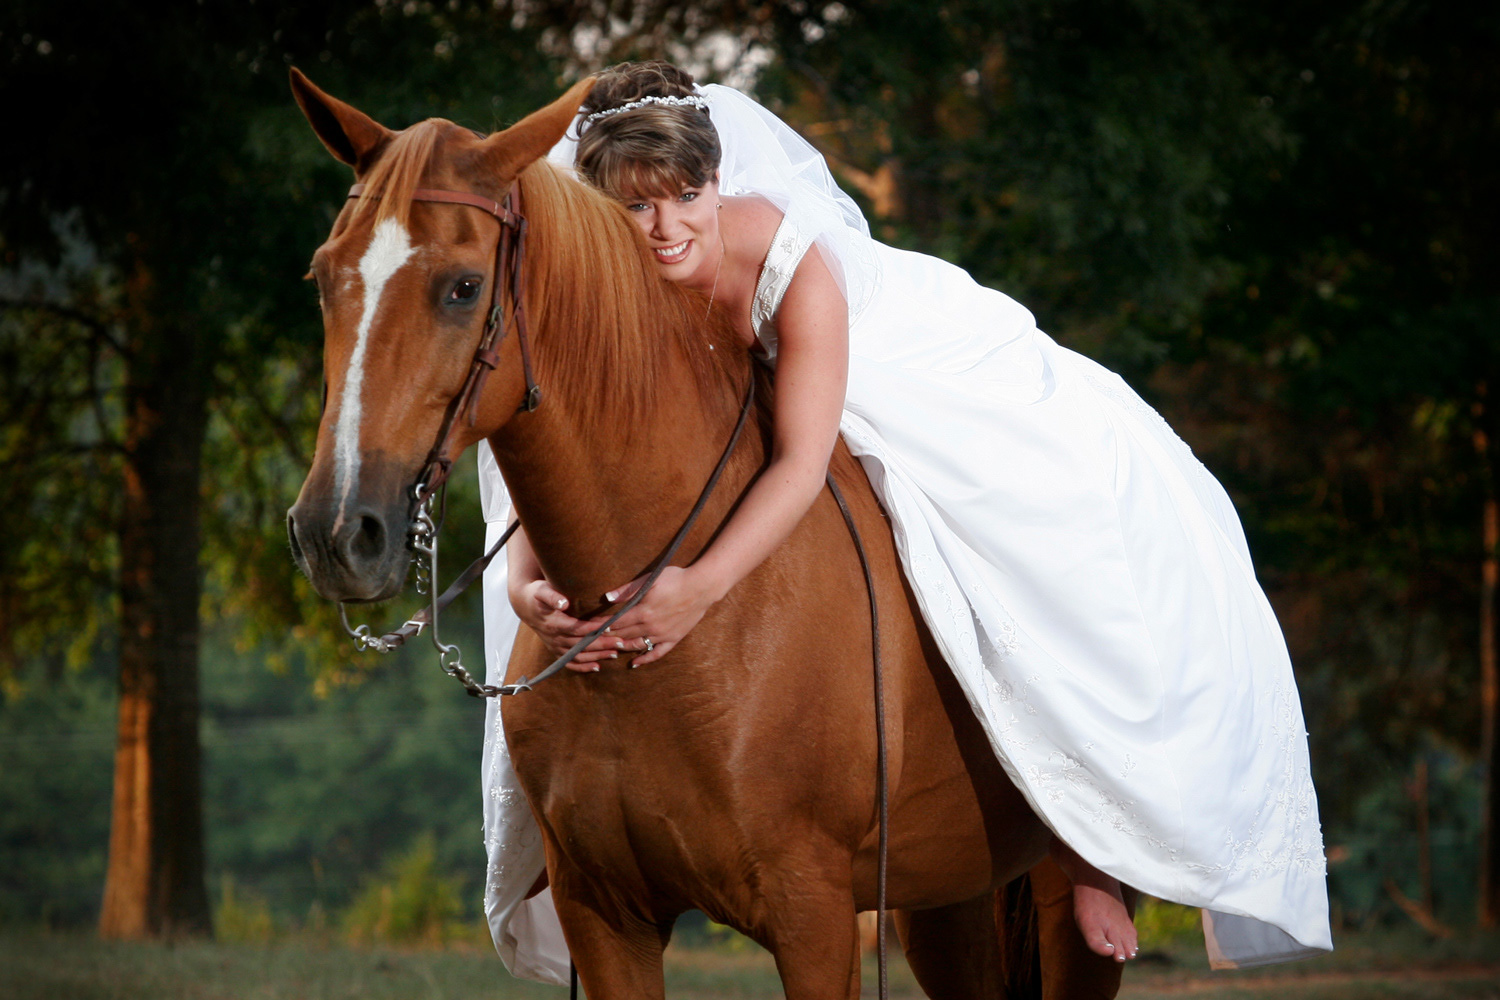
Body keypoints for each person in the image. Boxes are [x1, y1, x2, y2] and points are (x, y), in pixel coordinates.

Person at [477, 61, 1332, 985]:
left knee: (1020, 522)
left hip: (880, 366)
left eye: (687, 196)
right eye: (637, 208)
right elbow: (548, 441)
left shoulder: (788, 259)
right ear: (601, 207)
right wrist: (525, 581)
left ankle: (1087, 849)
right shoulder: (602, 279)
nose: (668, 227)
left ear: (717, 183)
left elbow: (803, 460)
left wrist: (696, 593)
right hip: (720, 404)